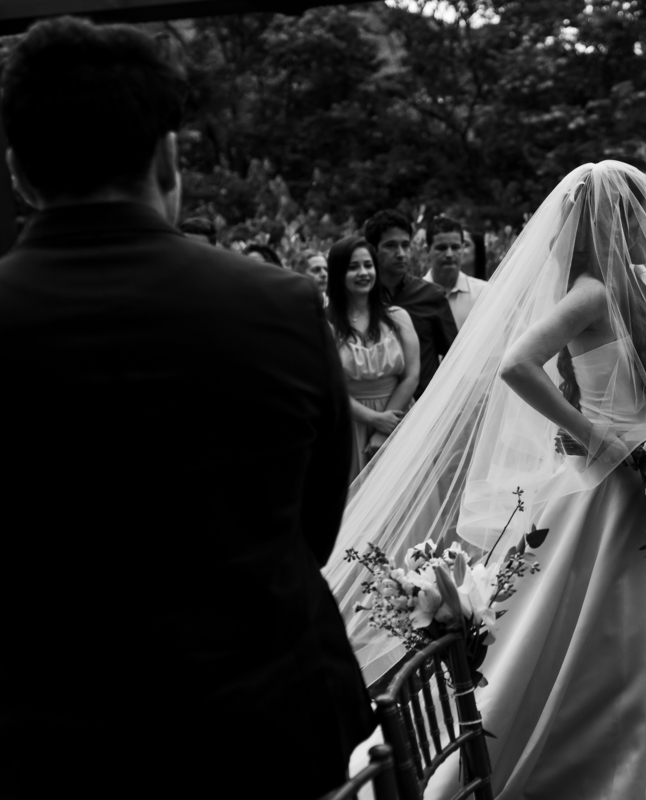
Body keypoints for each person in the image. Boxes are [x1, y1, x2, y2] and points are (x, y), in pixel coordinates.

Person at [0, 18, 374, 799]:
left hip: (51, 744)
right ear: (169, 158)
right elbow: (314, 524)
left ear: (19, 173)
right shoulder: (279, 306)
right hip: (265, 728)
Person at [326, 161, 646, 799]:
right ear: (613, 221)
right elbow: (517, 364)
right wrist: (595, 435)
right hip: (601, 488)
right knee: (581, 633)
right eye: (643, 215)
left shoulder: (639, 287)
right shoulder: (591, 291)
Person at [326, 236, 421, 477]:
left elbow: (411, 375)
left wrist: (384, 427)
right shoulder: (324, 323)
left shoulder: (397, 317)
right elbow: (327, 386)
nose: (363, 273)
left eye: (368, 265)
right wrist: (375, 419)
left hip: (397, 416)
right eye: (353, 267)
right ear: (338, 273)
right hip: (348, 421)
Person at [365, 209, 457, 399]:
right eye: (391, 246)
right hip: (374, 405)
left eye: (405, 245)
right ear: (373, 249)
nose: (400, 253)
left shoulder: (431, 296)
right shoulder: (361, 297)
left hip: (425, 406)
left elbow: (455, 357)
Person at [424, 215, 489, 330]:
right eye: (441, 248)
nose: (449, 254)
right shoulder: (415, 295)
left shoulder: (483, 293)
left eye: (455, 247)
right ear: (428, 250)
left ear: (462, 249)